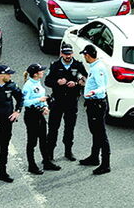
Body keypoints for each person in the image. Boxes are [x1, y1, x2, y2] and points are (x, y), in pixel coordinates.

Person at [45, 44, 87, 161]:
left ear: (72, 53)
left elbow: (84, 79)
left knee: (69, 128)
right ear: (61, 54)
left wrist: (76, 83)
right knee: (53, 128)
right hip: (57, 101)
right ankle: (50, 154)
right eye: (65, 54)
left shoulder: (78, 65)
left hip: (71, 102)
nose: (68, 56)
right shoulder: (55, 65)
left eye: (69, 54)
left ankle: (68, 151)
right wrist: (57, 82)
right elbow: (47, 81)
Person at [22, 64, 60, 175]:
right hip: (31, 116)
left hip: (39, 114)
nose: (43, 72)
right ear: (35, 74)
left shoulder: (37, 82)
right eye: (41, 71)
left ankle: (46, 161)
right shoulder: (28, 86)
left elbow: (42, 98)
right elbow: (24, 102)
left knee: (43, 140)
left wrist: (45, 107)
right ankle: (31, 165)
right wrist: (39, 99)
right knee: (32, 142)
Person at [80, 44, 110, 175]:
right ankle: (94, 156)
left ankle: (105, 164)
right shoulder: (95, 67)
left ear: (87, 55)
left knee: (100, 134)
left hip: (96, 104)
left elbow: (102, 87)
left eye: (84, 55)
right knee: (95, 131)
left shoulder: (97, 69)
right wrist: (86, 84)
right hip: (93, 104)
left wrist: (92, 92)